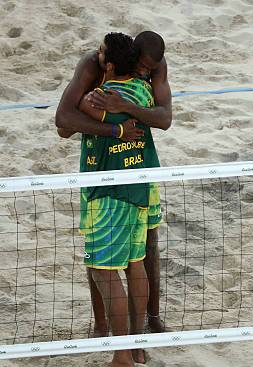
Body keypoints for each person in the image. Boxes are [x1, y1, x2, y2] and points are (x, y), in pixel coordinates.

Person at [55, 31, 171, 334]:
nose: (146, 73)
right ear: (131, 58)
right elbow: (63, 124)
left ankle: (151, 321)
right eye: (142, 68)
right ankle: (103, 326)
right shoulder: (93, 66)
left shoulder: (154, 67)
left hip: (138, 170)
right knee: (116, 259)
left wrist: (123, 108)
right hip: (104, 170)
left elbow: (165, 118)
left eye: (150, 69)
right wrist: (115, 130)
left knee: (141, 250)